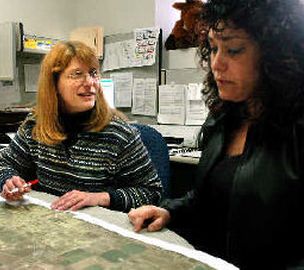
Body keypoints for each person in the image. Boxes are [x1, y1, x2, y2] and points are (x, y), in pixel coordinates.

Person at [128, 0, 304, 269]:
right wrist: (170, 211)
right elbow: (210, 200)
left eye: (233, 50)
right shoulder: (223, 118)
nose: (216, 64)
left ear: (275, 54)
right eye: (212, 48)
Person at [0, 41, 162, 213]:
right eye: (77, 74)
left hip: (98, 230)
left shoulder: (119, 134)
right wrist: (8, 180)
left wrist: (99, 198)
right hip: (51, 222)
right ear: (54, 84)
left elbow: (151, 192)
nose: (90, 82)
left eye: (93, 73)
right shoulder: (35, 125)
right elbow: (2, 163)